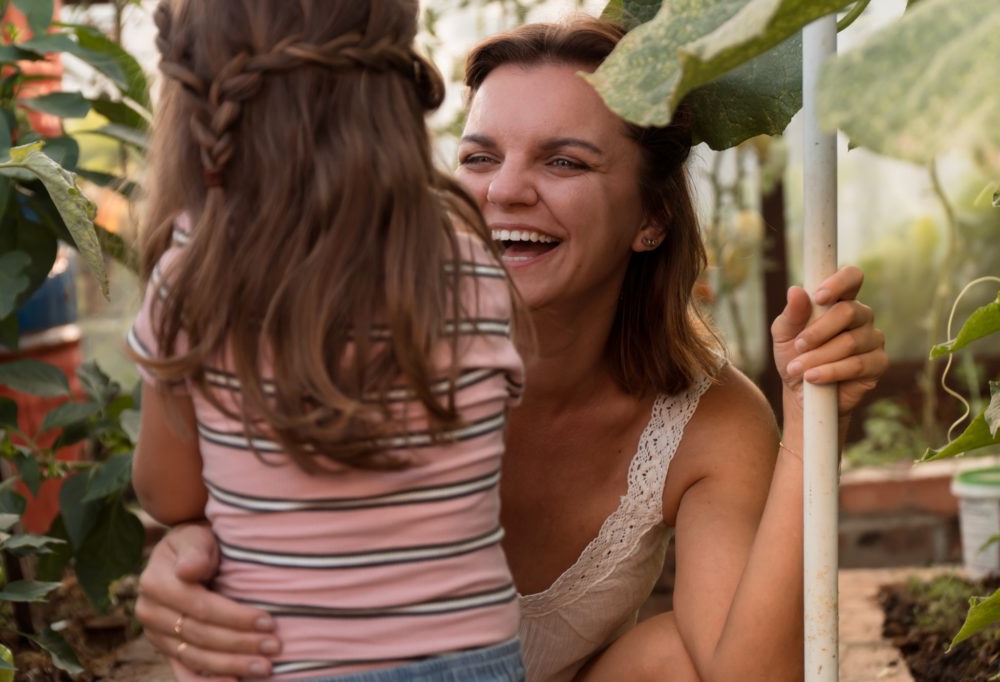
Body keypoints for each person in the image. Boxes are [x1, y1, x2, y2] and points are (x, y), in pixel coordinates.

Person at [133, 15, 888, 682]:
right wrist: (183, 559)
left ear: (651, 217)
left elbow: (749, 676)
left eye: (564, 162)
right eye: (478, 157)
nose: (505, 192)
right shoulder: (350, 342)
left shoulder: (707, 421)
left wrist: (811, 424)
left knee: (682, 660)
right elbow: (230, 492)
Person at [128, 0, 529, 680]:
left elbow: (169, 496)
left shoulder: (192, 284)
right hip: (478, 662)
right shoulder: (473, 272)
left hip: (281, 663)